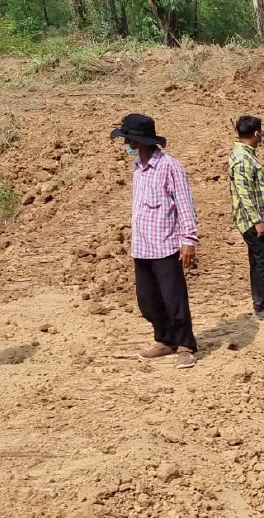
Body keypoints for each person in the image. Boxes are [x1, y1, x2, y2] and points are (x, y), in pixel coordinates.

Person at [110, 113, 199, 369]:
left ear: (139, 141)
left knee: (174, 299)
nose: (125, 144)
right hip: (142, 246)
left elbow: (184, 204)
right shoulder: (138, 167)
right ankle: (165, 339)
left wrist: (188, 240)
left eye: (127, 139)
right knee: (147, 300)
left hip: (166, 245)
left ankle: (185, 345)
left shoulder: (169, 166)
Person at [228, 115, 264, 321]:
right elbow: (244, 193)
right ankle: (261, 306)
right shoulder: (242, 158)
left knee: (262, 261)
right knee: (263, 262)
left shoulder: (247, 154)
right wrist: (257, 221)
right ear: (256, 133)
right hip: (256, 221)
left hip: (261, 219)